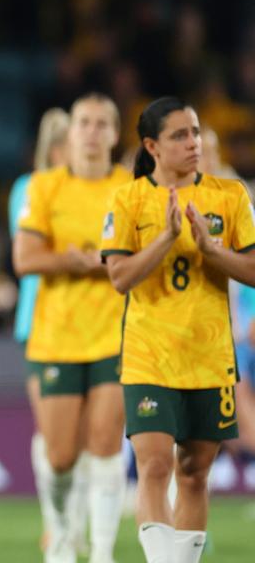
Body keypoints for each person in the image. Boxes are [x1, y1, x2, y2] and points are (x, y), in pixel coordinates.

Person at [102, 97, 254, 563]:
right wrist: (166, 238)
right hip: (149, 354)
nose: (193, 143)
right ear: (151, 145)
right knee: (154, 465)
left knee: (194, 473)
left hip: (209, 357)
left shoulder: (230, 196)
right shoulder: (128, 199)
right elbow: (120, 278)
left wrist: (211, 250)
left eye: (194, 132)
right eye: (180, 135)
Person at [12, 94, 130, 563]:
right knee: (60, 458)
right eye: (85, 122)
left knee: (104, 445)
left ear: (115, 134)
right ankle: (61, 533)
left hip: (115, 334)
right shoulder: (44, 187)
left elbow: (143, 257)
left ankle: (101, 552)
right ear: (71, 131)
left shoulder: (131, 188)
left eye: (103, 124)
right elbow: (24, 259)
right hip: (57, 336)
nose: (93, 132)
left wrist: (110, 263)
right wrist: (77, 261)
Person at [7, 108, 75, 552]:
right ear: (55, 149)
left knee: (90, 437)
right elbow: (32, 248)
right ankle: (56, 521)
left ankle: (79, 524)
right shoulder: (28, 189)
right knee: (52, 431)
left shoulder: (98, 187)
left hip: (95, 319)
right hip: (43, 319)